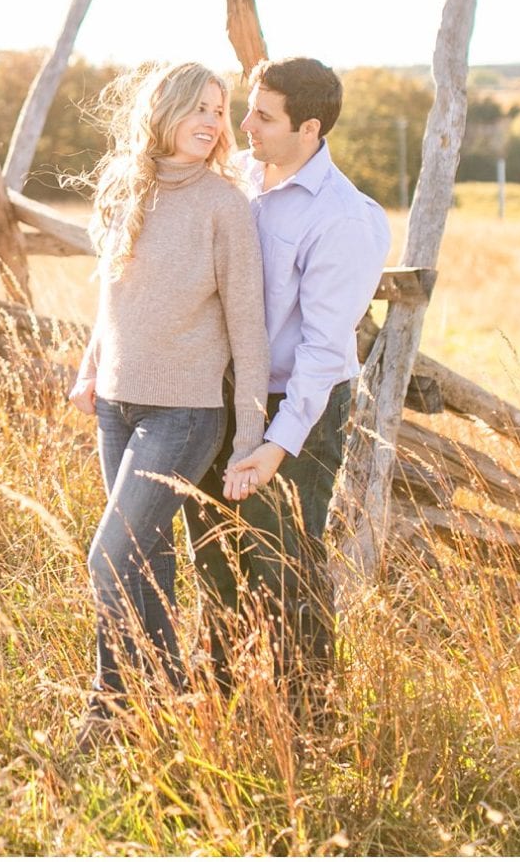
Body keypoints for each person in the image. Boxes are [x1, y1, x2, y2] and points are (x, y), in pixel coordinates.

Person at [66, 61, 270, 751]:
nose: (214, 121)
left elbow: (248, 325)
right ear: (166, 111)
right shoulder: (125, 187)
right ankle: (171, 705)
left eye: (221, 109)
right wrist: (92, 369)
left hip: (184, 416)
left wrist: (249, 433)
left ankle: (110, 708)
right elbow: (111, 291)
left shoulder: (224, 204)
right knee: (143, 565)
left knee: (108, 558)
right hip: (117, 406)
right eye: (200, 108)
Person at [183, 56, 391, 719]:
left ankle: (311, 725)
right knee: (214, 555)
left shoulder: (345, 219)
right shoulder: (237, 180)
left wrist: (278, 445)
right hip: (222, 396)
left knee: (284, 567)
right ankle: (219, 710)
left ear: (309, 128)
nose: (242, 125)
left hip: (296, 405)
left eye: (262, 117)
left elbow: (324, 351)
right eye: (248, 109)